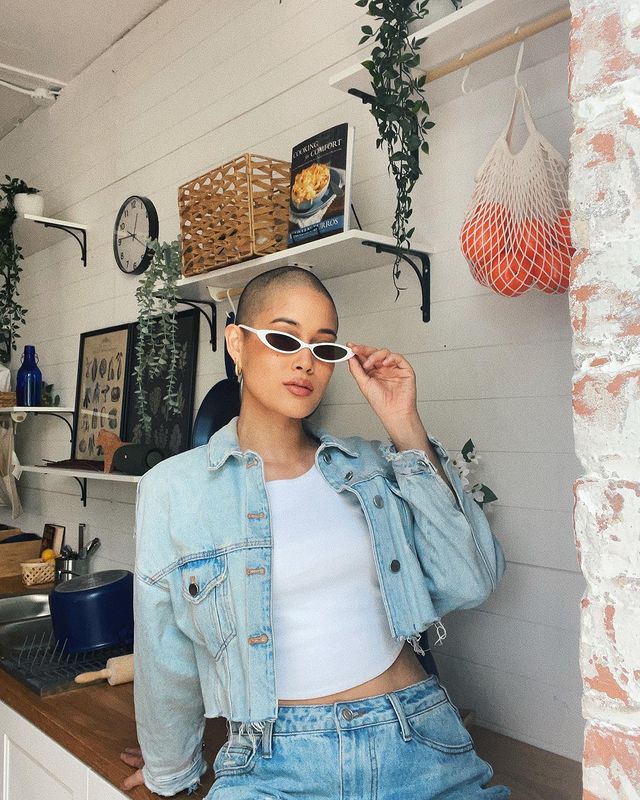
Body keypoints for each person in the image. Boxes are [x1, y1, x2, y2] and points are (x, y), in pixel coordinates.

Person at [120, 265, 510, 799]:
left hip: (416, 735)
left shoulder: (372, 467)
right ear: (237, 343)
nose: (305, 361)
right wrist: (170, 770)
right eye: (284, 339)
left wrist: (404, 425)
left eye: (323, 347)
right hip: (274, 762)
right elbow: (164, 653)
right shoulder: (174, 490)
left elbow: (472, 580)